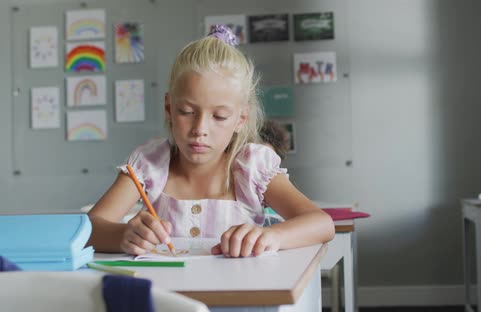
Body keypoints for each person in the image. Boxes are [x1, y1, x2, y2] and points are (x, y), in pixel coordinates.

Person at [87, 25, 335, 258]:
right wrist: (122, 235)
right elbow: (89, 229)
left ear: (240, 119)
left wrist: (271, 236)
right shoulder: (148, 165)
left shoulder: (252, 168)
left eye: (219, 116)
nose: (200, 129)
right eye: (186, 111)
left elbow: (321, 223)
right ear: (168, 108)